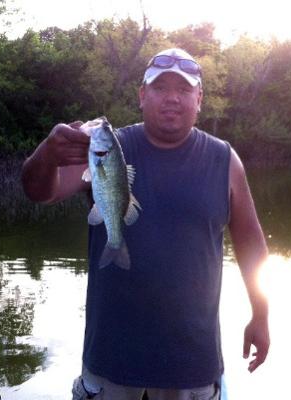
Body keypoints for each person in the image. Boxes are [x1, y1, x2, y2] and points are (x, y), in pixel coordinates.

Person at [22, 48, 270, 400]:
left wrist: (261, 314)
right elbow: (38, 192)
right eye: (160, 87)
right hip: (111, 361)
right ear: (142, 95)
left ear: (199, 99)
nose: (172, 98)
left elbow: (250, 242)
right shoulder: (105, 146)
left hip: (193, 364)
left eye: (184, 90)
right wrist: (47, 153)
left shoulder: (225, 160)